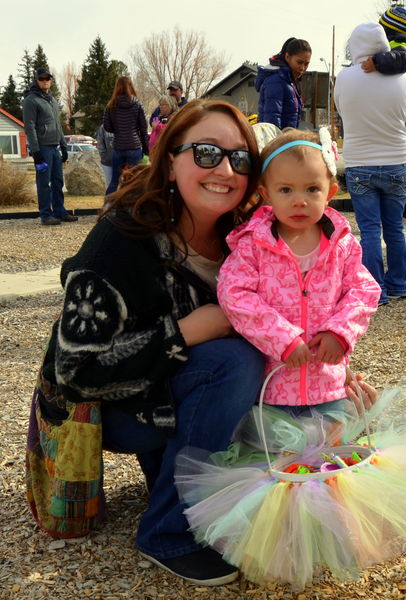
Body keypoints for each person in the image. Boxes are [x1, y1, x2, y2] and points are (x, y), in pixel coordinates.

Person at [26, 99, 266, 586]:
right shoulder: (122, 239)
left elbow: (292, 316)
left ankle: (175, 473)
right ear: (170, 159)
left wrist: (331, 363)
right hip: (113, 411)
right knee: (233, 361)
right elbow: (76, 373)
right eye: (206, 153)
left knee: (311, 411)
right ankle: (168, 532)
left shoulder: (251, 238)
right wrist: (188, 332)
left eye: (240, 159)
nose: (224, 169)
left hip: (171, 386)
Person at [217, 127, 381, 414]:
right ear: (265, 193)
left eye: (312, 189)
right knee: (281, 456)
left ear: (329, 192)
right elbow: (234, 294)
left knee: (331, 454)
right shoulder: (254, 244)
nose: (299, 200)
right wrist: (281, 338)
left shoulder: (340, 243)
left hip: (328, 384)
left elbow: (363, 291)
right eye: (286, 189)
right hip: (272, 387)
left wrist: (340, 333)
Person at [334, 23, 406, 307]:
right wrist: (397, 129)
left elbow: (341, 113)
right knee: (394, 227)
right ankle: (398, 285)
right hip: (396, 158)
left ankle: (376, 291)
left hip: (360, 161)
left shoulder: (344, 78)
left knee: (370, 230)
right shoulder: (403, 79)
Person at [22, 67, 78, 226]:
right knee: (44, 183)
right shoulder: (30, 101)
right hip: (43, 148)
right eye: (42, 79)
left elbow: (58, 125)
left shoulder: (52, 101)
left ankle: (60, 212)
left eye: (48, 78)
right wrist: (36, 150)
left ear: (51, 80)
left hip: (55, 148)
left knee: (58, 182)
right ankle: (46, 215)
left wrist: (64, 146)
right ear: (36, 80)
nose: (45, 81)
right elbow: (30, 127)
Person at [361, 5, 406, 87]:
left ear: (384, 28)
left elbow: (404, 58)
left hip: (403, 91)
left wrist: (376, 62)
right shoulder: (394, 41)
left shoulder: (398, 43)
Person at [103, 76, 149, 195]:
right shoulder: (137, 104)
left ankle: (108, 208)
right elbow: (143, 129)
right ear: (130, 86)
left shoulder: (110, 105)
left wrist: (118, 129)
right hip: (134, 147)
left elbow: (107, 127)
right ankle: (135, 209)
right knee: (135, 181)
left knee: (114, 181)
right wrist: (146, 150)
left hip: (118, 147)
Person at [255, 37, 311, 129]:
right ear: (287, 57)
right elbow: (272, 123)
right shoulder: (276, 81)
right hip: (278, 141)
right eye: (299, 62)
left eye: (306, 64)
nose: (302, 68)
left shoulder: (289, 82)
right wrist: (283, 142)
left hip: (286, 141)